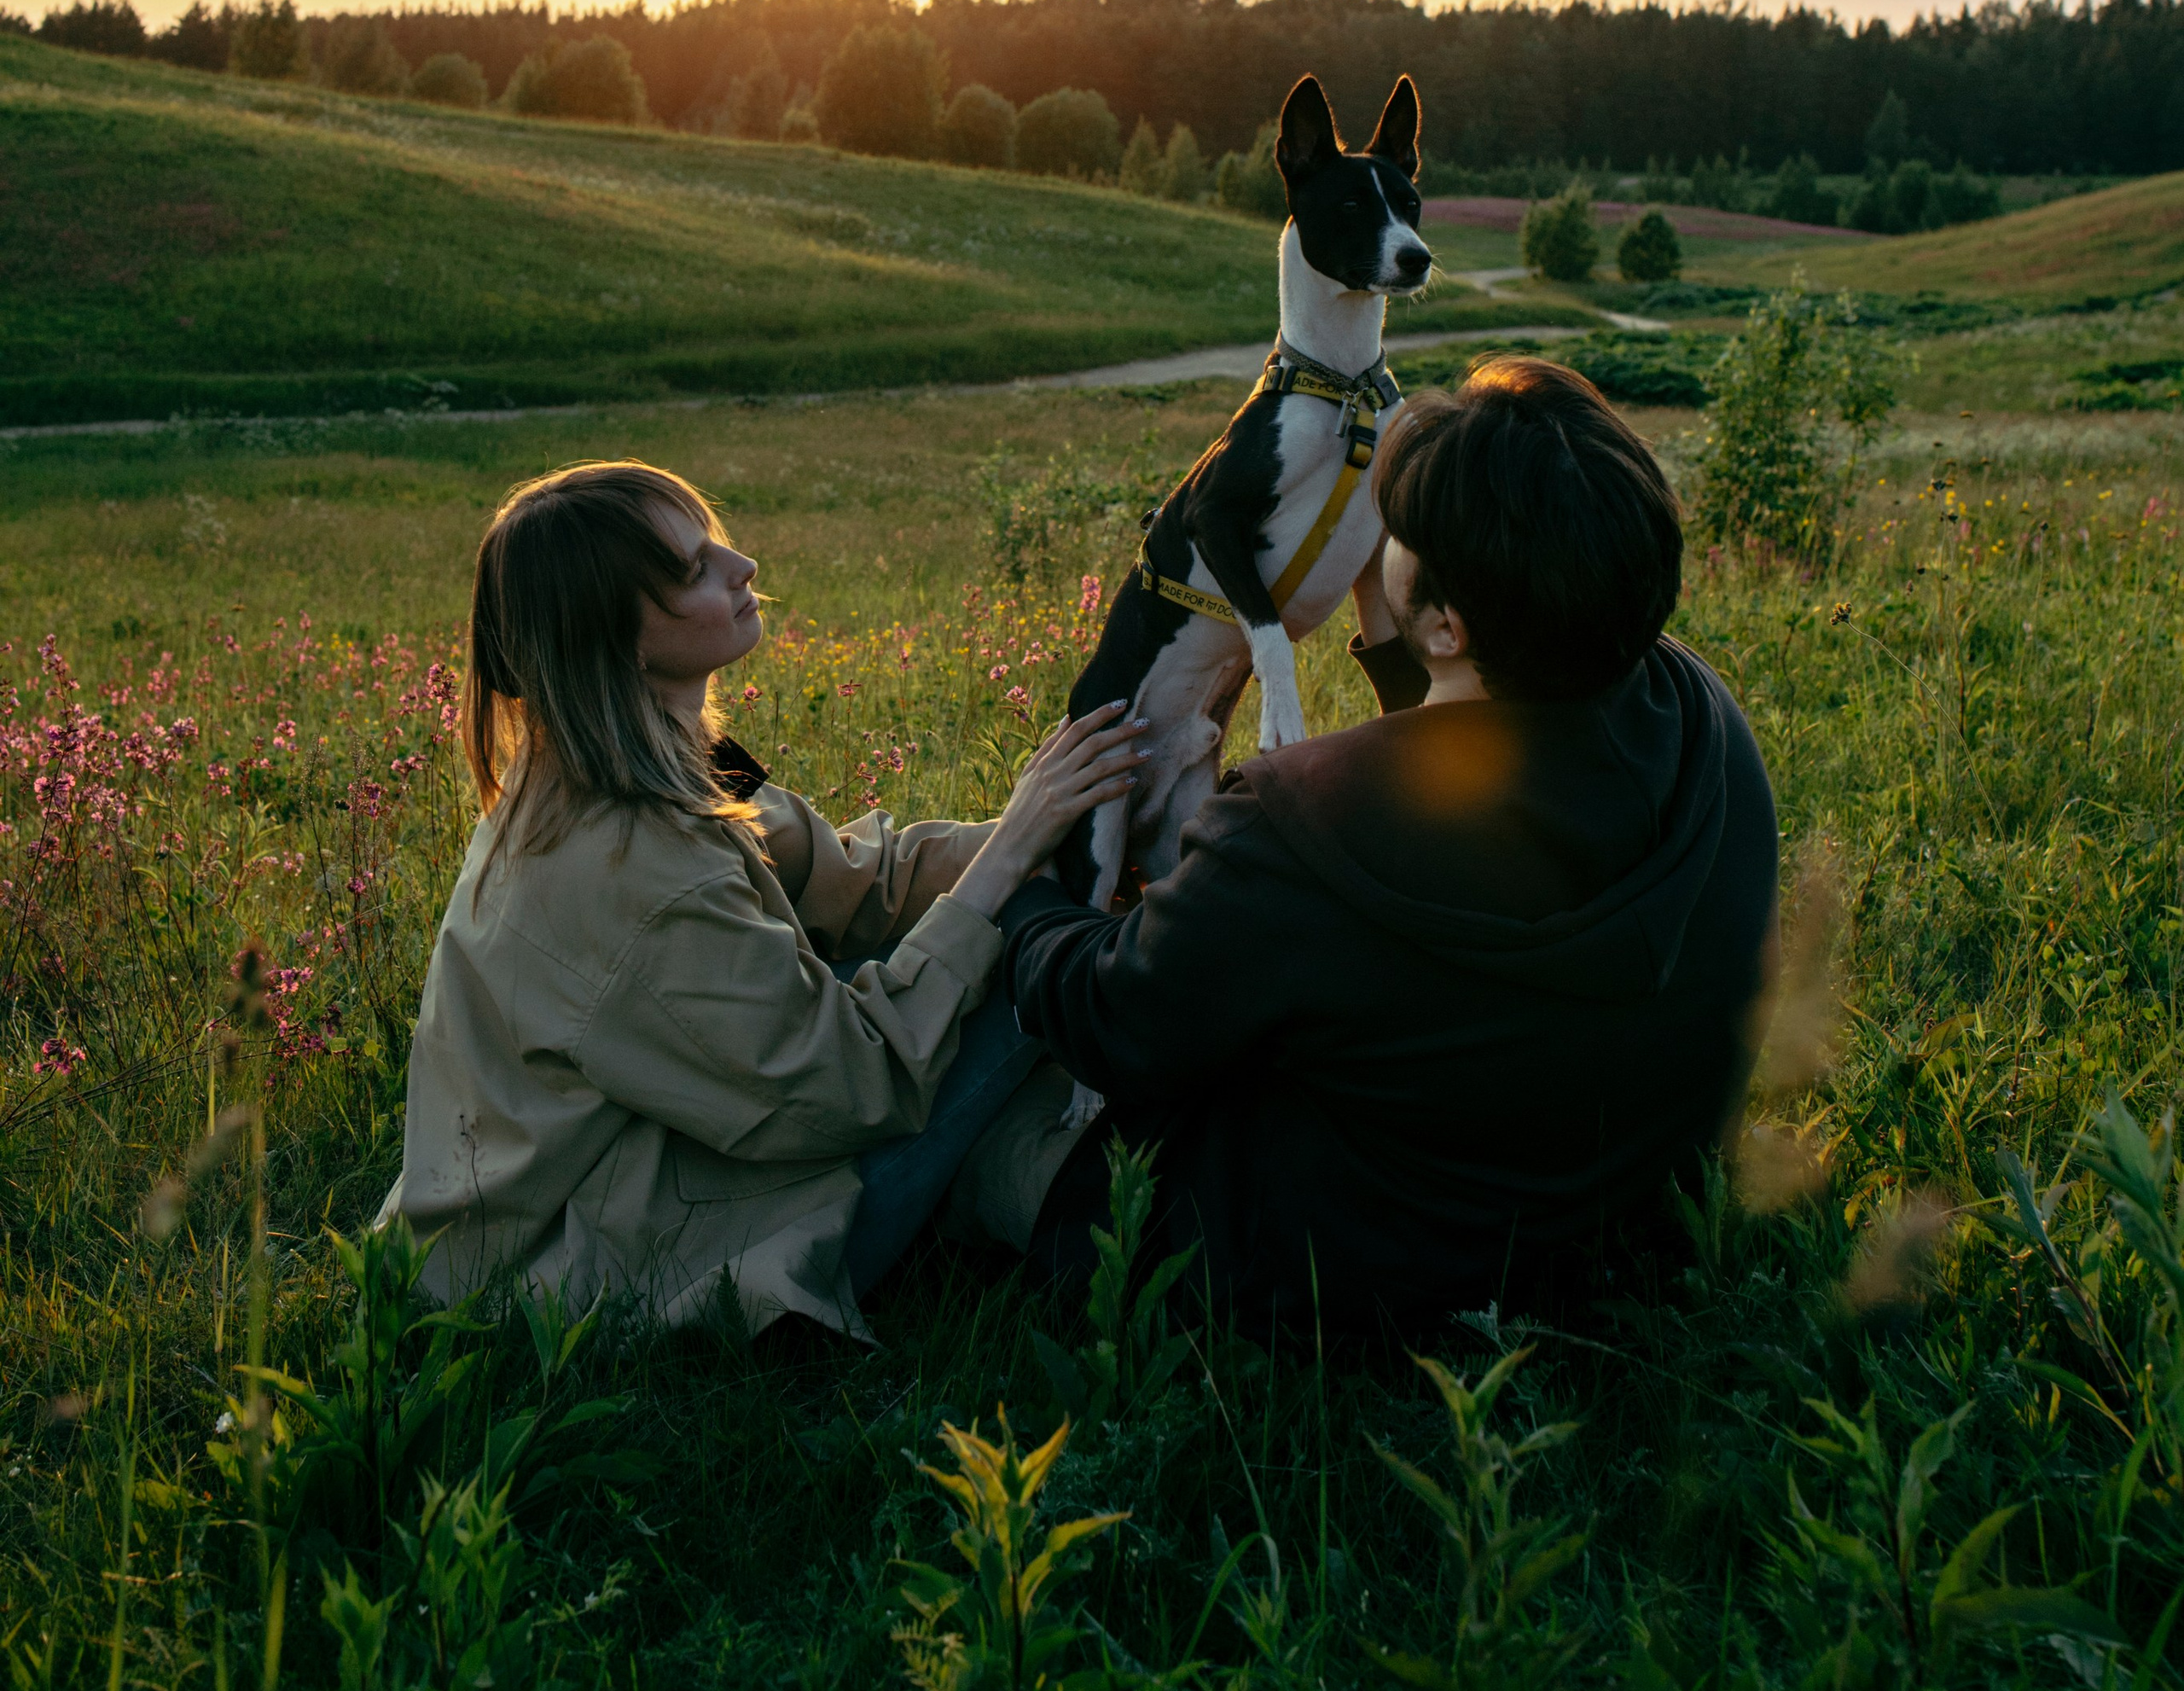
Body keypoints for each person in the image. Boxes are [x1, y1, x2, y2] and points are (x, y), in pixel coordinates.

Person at [1004, 358, 1780, 1335]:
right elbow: (1495, 781)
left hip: (1347, 1277)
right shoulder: (1701, 717)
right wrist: (1396, 639)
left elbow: (1113, 1020)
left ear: (1450, 625)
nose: (1379, 541)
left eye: (1400, 533)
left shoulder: (1296, 827)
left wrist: (1030, 887)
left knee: (990, 1125)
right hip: (1629, 1228)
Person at [380, 460, 1139, 1340]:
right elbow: (854, 1087)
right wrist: (1013, 869)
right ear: (620, 637)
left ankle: (1064, 1185)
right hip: (587, 1268)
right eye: (693, 568)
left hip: (625, 1174)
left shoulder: (645, 760)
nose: (741, 568)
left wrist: (1059, 834)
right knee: (1017, 952)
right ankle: (1112, 1200)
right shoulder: (633, 866)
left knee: (996, 926)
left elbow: (860, 879)